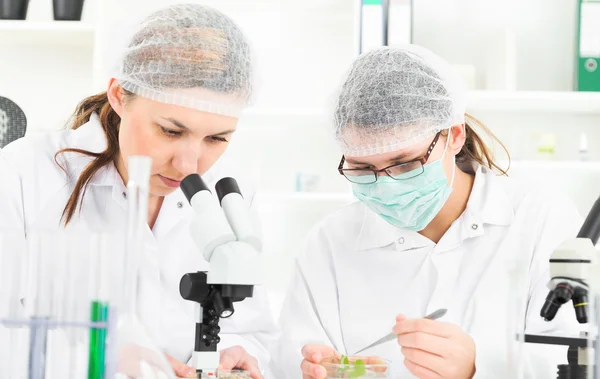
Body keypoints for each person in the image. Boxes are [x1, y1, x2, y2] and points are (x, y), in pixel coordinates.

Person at [270, 45, 582, 379]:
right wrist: (318, 368)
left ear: (455, 136)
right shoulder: (331, 241)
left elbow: (578, 353)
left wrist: (479, 366)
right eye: (363, 169)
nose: (386, 185)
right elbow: (289, 356)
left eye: (404, 164)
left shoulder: (541, 218)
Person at [0, 4, 277, 379]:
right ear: (118, 94)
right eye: (170, 131)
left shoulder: (231, 191)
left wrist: (234, 354)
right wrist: (91, 357)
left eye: (216, 138)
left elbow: (251, 328)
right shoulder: (23, 173)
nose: (189, 164)